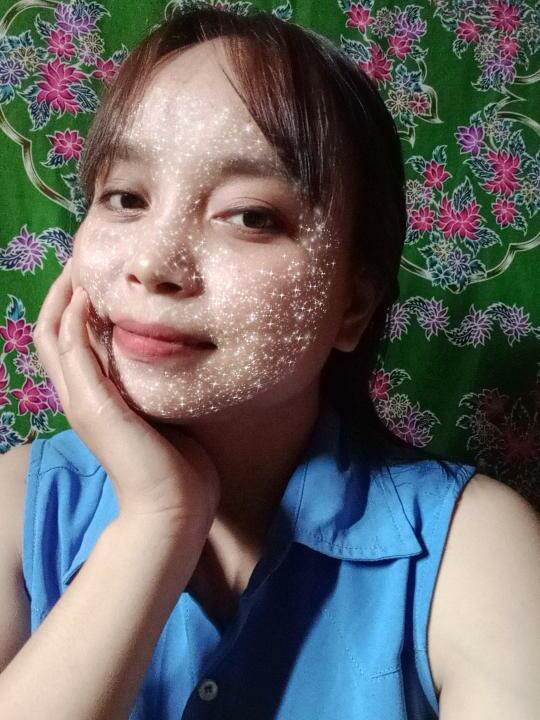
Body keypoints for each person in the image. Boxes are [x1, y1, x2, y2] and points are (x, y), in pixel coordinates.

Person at [0, 6, 538, 719]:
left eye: (251, 215)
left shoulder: (477, 548)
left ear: (353, 305)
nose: (152, 264)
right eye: (125, 198)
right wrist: (158, 520)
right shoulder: (18, 505)